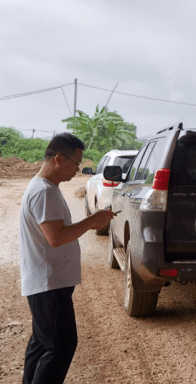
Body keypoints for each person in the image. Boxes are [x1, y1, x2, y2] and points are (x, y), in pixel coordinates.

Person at [19, 133, 114, 384]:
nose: (78, 169)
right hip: (48, 284)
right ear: (59, 159)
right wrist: (92, 221)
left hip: (47, 283)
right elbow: (56, 237)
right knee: (60, 346)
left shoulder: (46, 188)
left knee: (43, 345)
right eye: (76, 163)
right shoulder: (44, 191)